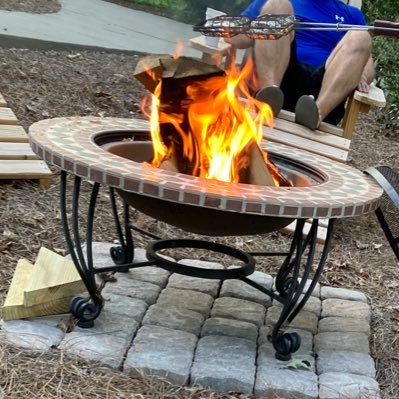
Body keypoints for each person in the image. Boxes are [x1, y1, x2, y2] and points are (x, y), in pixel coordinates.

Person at [225, 0, 375, 130]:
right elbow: (237, 39)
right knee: (277, 6)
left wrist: (358, 73)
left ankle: (315, 114)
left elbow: (368, 65)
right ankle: (269, 97)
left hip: (323, 88)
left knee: (361, 36)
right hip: (279, 77)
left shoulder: (351, 15)